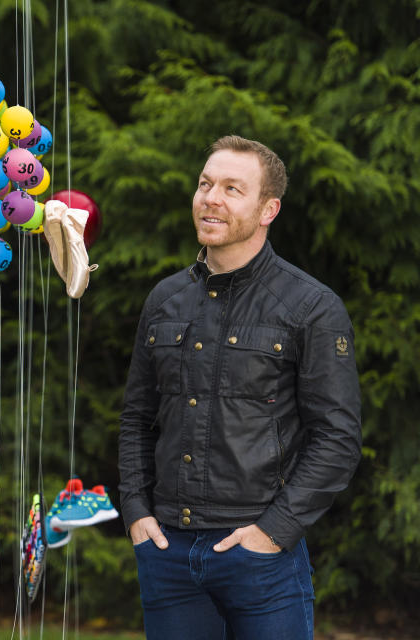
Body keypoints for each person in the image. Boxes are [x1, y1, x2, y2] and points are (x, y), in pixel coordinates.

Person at [117, 135, 362, 640]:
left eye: (233, 189)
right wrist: (138, 513)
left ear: (268, 208)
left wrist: (273, 533)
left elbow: (337, 438)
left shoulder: (311, 307)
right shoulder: (165, 299)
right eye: (206, 184)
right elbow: (136, 419)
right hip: (167, 553)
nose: (211, 199)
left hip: (261, 558)